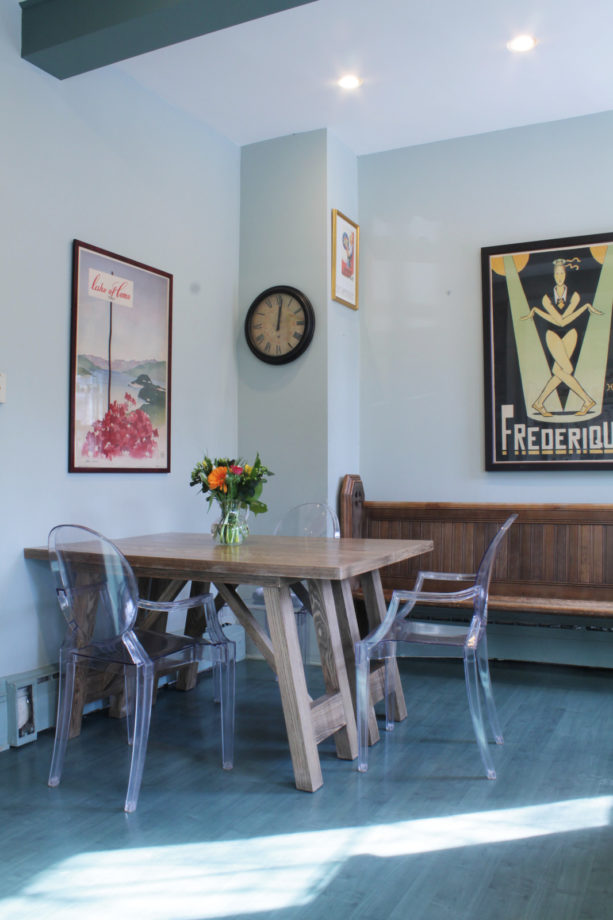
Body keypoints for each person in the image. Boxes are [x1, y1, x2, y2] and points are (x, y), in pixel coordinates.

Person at [522, 258, 602, 417]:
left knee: (558, 370)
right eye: (557, 273)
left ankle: (539, 403)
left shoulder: (575, 296)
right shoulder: (546, 297)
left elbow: (565, 319)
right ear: (553, 275)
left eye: (562, 273)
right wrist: (584, 308)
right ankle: (586, 399)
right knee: (568, 369)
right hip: (553, 334)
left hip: (571, 332)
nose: (559, 276)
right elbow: (559, 321)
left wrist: (538, 311)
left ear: (566, 274)